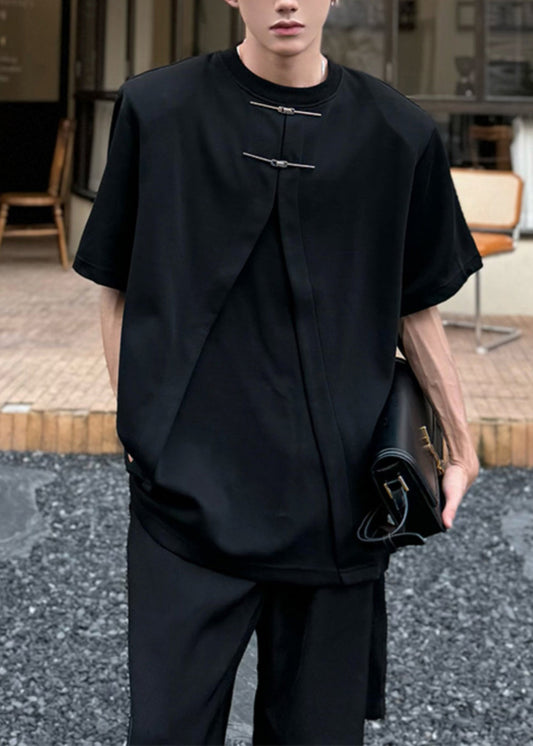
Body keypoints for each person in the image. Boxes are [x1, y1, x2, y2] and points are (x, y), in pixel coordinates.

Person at [72, 0, 482, 743]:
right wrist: (142, 431)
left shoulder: (398, 133)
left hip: (337, 499)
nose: (286, 1)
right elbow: (118, 285)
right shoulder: (158, 110)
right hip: (188, 493)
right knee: (166, 731)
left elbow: (414, 306)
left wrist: (459, 442)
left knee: (316, 733)